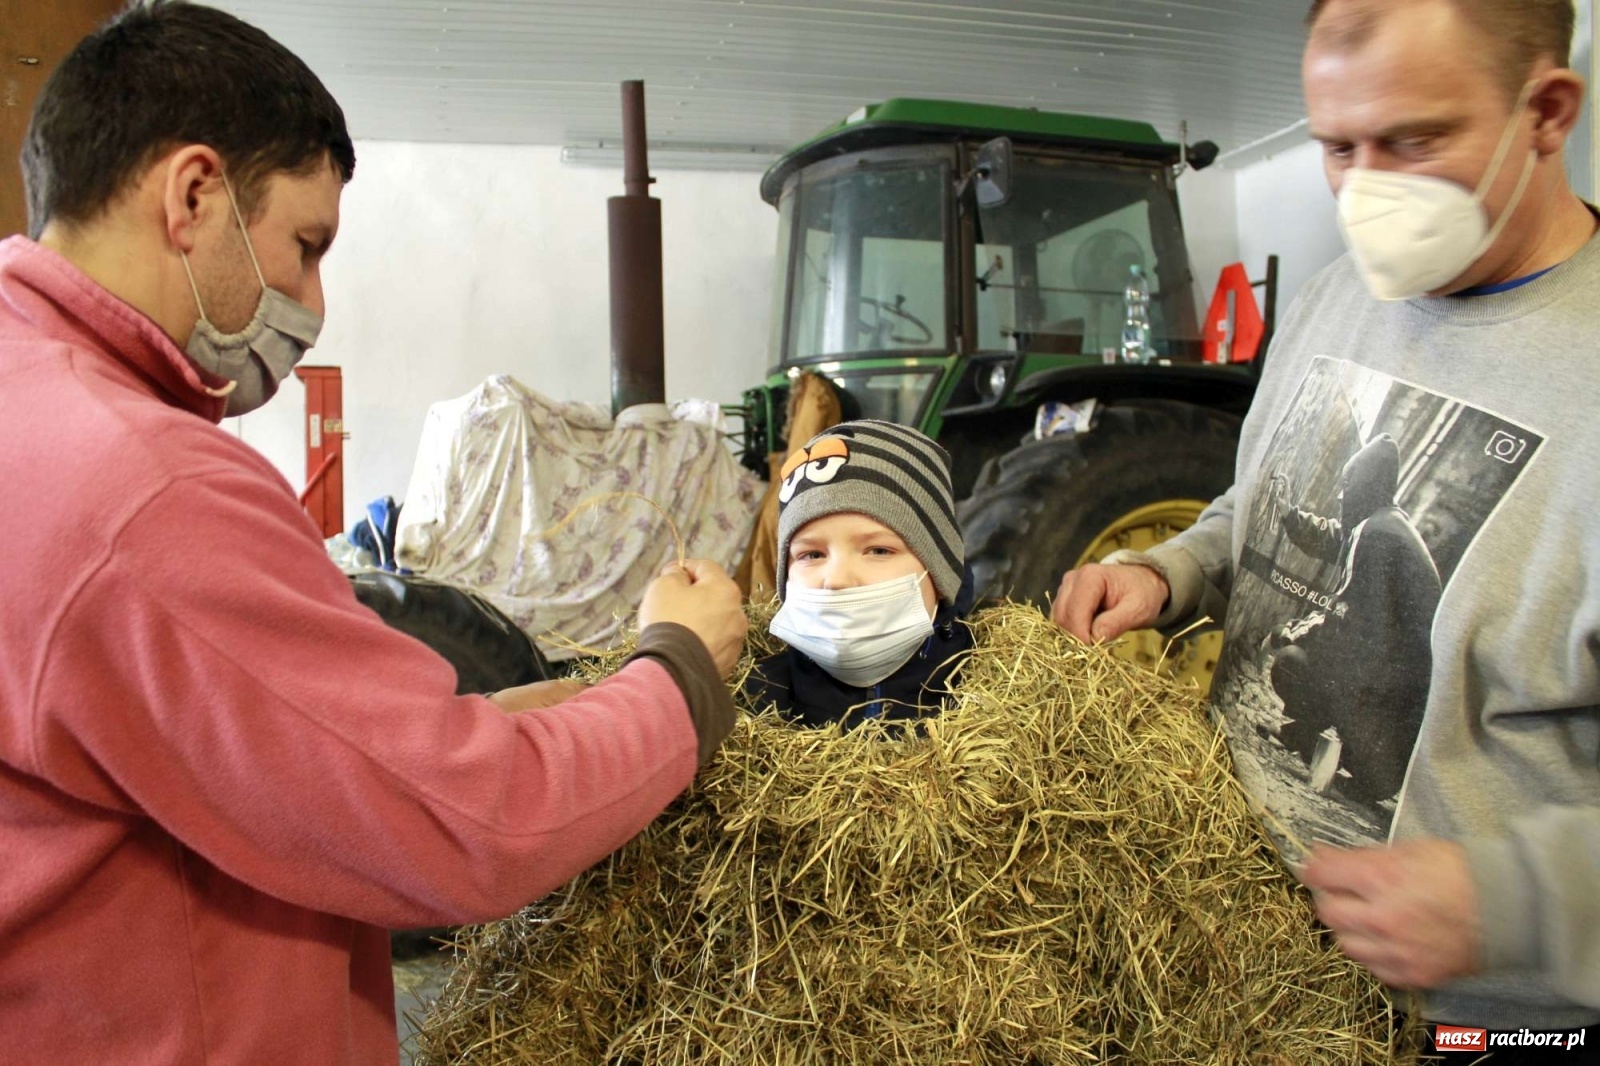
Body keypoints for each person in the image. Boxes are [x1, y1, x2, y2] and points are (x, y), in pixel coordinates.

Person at [0, 3, 746, 1064]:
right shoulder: (145, 486)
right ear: (195, 193)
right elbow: (469, 825)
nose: (311, 300)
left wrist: (495, 717)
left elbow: (208, 746)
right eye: (305, 247)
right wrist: (678, 672)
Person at [1053, 0, 1599, 1040]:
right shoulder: (1333, 300)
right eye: (1338, 147)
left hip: (1471, 1023)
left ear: (1547, 111)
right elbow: (1257, 503)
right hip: (1248, 960)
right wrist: (1175, 570)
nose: (1368, 189)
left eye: (1416, 139)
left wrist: (1513, 901)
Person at [745, 420, 975, 729]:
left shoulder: (991, 682)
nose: (837, 579)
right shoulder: (753, 704)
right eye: (812, 555)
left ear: (940, 570)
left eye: (878, 551)